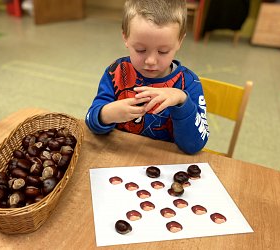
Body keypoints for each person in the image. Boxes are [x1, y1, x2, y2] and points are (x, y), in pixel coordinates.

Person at [85, 0, 209, 154]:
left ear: (179, 42)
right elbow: (91, 121)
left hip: (163, 164)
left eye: (163, 51)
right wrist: (106, 114)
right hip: (121, 156)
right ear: (125, 37)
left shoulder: (188, 83)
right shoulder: (116, 72)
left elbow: (194, 146)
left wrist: (182, 101)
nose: (150, 61)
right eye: (140, 49)